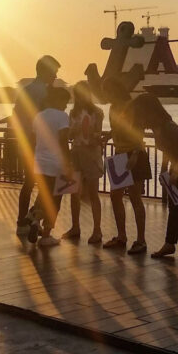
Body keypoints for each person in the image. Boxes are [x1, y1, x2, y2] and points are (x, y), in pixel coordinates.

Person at [126, 93, 178, 266]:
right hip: (177, 170)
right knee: (175, 208)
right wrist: (165, 171)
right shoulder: (158, 128)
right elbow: (169, 151)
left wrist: (175, 173)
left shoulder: (168, 127)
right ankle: (170, 244)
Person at [15, 56, 61, 234]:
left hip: (25, 142)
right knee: (49, 184)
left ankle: (23, 222)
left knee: (28, 183)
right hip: (42, 144)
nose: (55, 76)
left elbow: (17, 116)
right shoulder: (46, 93)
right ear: (45, 71)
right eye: (54, 72)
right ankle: (33, 217)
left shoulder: (25, 90)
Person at [103, 78, 149, 255]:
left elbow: (139, 131)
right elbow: (118, 127)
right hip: (119, 153)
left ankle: (141, 240)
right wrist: (107, 136)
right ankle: (121, 236)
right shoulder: (113, 108)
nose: (104, 95)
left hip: (134, 154)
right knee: (115, 196)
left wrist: (136, 154)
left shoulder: (132, 106)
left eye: (106, 91)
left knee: (135, 197)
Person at [25, 87, 74, 247]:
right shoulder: (62, 117)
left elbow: (34, 140)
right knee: (55, 201)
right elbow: (63, 142)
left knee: (44, 195)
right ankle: (46, 235)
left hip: (40, 163)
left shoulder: (38, 116)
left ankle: (34, 217)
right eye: (65, 102)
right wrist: (68, 164)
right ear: (59, 100)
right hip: (56, 164)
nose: (66, 106)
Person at [65, 81, 105, 244]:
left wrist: (93, 136)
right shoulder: (72, 113)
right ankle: (75, 226)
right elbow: (68, 136)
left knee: (93, 193)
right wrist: (74, 131)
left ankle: (97, 230)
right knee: (74, 192)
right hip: (75, 153)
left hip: (91, 153)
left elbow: (99, 133)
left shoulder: (97, 112)